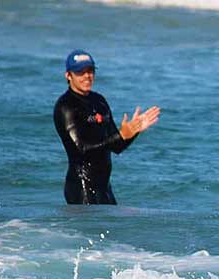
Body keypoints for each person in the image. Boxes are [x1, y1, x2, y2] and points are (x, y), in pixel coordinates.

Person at [53, 50, 160, 205]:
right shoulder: (66, 106)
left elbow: (116, 146)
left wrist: (133, 132)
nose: (87, 76)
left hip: (104, 188)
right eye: (80, 72)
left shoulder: (99, 101)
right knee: (91, 230)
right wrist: (121, 135)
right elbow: (81, 149)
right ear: (68, 76)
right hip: (81, 187)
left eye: (90, 71)